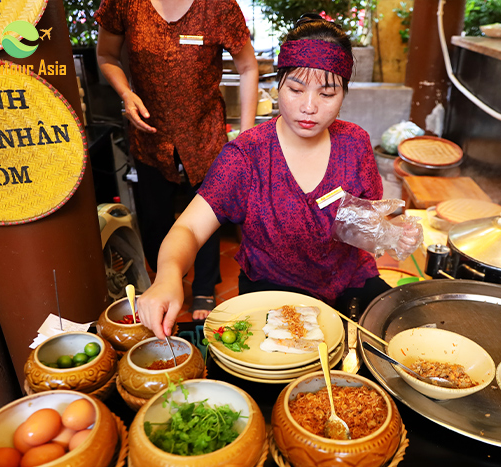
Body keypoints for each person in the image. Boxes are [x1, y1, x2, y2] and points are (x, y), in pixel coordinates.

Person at [137, 14, 420, 339]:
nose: (309, 107)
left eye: (327, 94)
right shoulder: (247, 156)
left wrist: (389, 233)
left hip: (348, 281)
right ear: (279, 84)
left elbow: (359, 221)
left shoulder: (354, 143)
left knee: (402, 335)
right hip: (273, 286)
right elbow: (188, 227)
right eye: (296, 89)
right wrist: (168, 276)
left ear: (344, 92)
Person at [95, 0, 258, 320]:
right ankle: (168, 279)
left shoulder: (219, 6)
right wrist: (126, 93)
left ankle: (204, 288)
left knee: (209, 212)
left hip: (204, 129)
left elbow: (248, 66)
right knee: (155, 218)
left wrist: (247, 137)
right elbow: (106, 55)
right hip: (150, 132)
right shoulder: (124, 3)